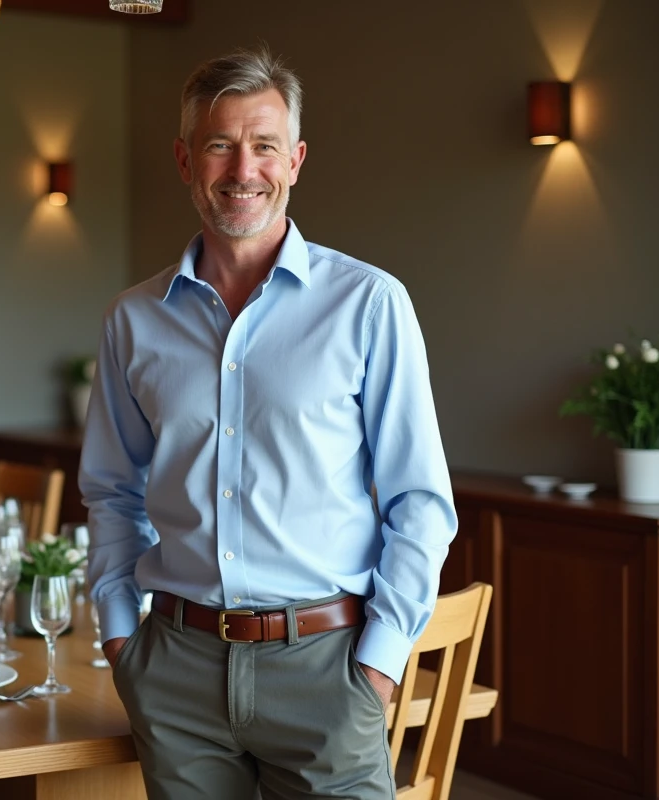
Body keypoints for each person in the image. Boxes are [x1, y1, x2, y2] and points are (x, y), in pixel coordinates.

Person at [79, 45, 457, 800]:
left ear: (296, 161)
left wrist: (377, 666)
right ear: (186, 162)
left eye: (264, 147)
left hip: (326, 667)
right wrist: (123, 637)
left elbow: (420, 503)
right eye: (219, 145)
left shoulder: (371, 305)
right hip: (176, 668)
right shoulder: (133, 320)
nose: (242, 169)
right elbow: (112, 490)